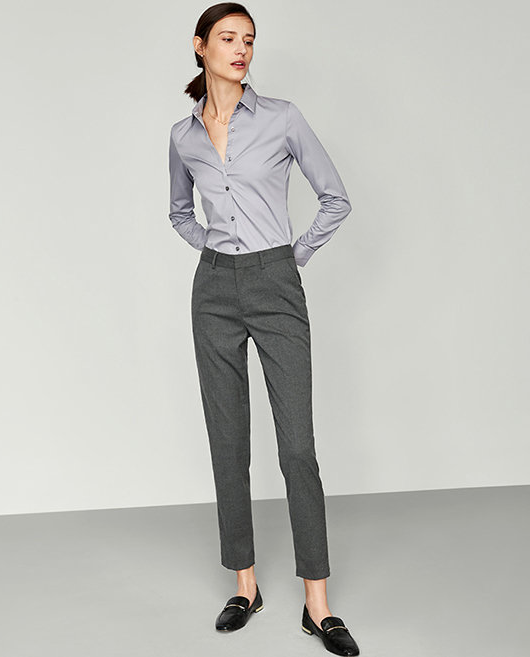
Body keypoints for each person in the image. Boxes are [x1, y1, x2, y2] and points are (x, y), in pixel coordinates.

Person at [168, 4, 360, 655]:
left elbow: (335, 196)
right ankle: (244, 585)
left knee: (297, 448)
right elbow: (178, 211)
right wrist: (211, 248)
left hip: (275, 283)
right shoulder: (183, 135)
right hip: (213, 292)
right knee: (228, 443)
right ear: (200, 46)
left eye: (248, 39)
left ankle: (317, 604)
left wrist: (291, 256)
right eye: (228, 38)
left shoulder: (281, 118)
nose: (241, 49)